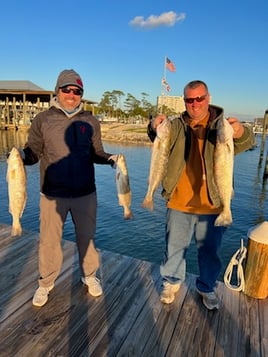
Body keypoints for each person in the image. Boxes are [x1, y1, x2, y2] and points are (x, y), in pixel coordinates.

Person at [147, 80, 254, 310]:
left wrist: (241, 131)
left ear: (208, 98)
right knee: (173, 247)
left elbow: (247, 141)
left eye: (200, 98)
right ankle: (171, 282)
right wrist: (153, 124)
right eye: (189, 100)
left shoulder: (220, 127)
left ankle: (206, 287)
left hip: (214, 204)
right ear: (184, 101)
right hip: (179, 201)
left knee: (210, 252)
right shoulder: (176, 126)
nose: (195, 104)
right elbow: (157, 135)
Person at [21, 69, 117, 307]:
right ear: (58, 91)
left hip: (85, 192)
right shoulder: (42, 119)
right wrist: (20, 156)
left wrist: (111, 158)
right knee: (49, 241)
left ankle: (89, 276)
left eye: (77, 91)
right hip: (52, 194)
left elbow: (96, 153)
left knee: (87, 238)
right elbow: (33, 152)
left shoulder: (91, 121)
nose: (72, 95)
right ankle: (46, 282)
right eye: (67, 90)